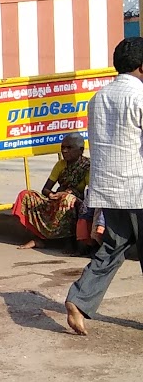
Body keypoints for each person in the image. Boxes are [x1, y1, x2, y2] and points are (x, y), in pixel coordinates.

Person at [65, 36, 143, 336]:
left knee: (114, 246)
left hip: (108, 187)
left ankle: (79, 298)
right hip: (137, 186)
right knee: (116, 247)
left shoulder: (98, 97)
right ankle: (79, 299)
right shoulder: (139, 97)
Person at [11, 132, 90, 248]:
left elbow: (89, 192)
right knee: (26, 195)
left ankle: (68, 241)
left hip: (75, 201)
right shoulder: (60, 165)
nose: (65, 151)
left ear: (81, 150)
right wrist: (52, 194)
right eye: (63, 147)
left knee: (67, 200)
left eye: (69, 148)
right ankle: (38, 238)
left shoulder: (87, 166)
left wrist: (67, 194)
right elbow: (46, 189)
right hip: (57, 197)